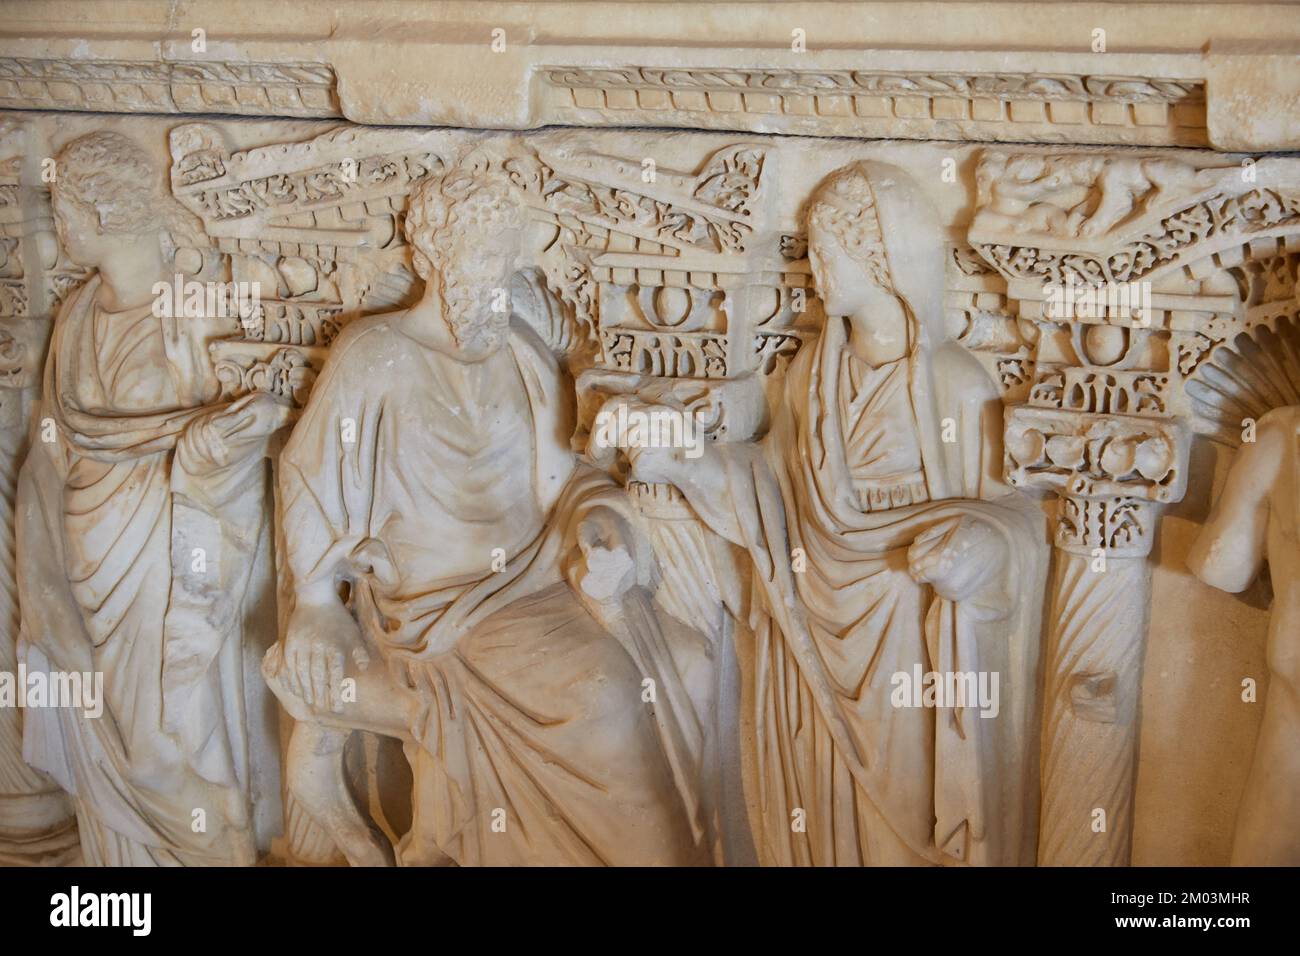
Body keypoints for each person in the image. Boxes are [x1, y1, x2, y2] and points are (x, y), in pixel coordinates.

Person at [263, 161, 706, 866]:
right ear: (429, 255)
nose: (497, 274)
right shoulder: (375, 358)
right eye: (482, 254)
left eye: (505, 255)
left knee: (689, 665)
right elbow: (308, 477)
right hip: (439, 611)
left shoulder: (522, 355)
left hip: (534, 581)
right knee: (602, 695)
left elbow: (565, 481)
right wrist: (315, 602)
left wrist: (600, 526)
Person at [618, 161, 1047, 866]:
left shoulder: (953, 383)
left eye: (829, 250)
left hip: (910, 633)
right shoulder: (810, 375)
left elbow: (1014, 519)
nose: (815, 268)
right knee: (816, 815)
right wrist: (683, 464)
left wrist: (980, 548)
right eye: (812, 249)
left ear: (880, 256)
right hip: (808, 619)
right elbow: (771, 490)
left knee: (905, 814)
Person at [16, 131, 289, 865]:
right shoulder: (75, 315)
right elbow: (54, 442)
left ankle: (223, 843)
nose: (59, 226)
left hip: (170, 560)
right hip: (91, 562)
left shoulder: (190, 312)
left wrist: (208, 449)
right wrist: (35, 561)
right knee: (110, 731)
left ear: (102, 211)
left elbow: (262, 417)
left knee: (160, 748)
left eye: (64, 209)